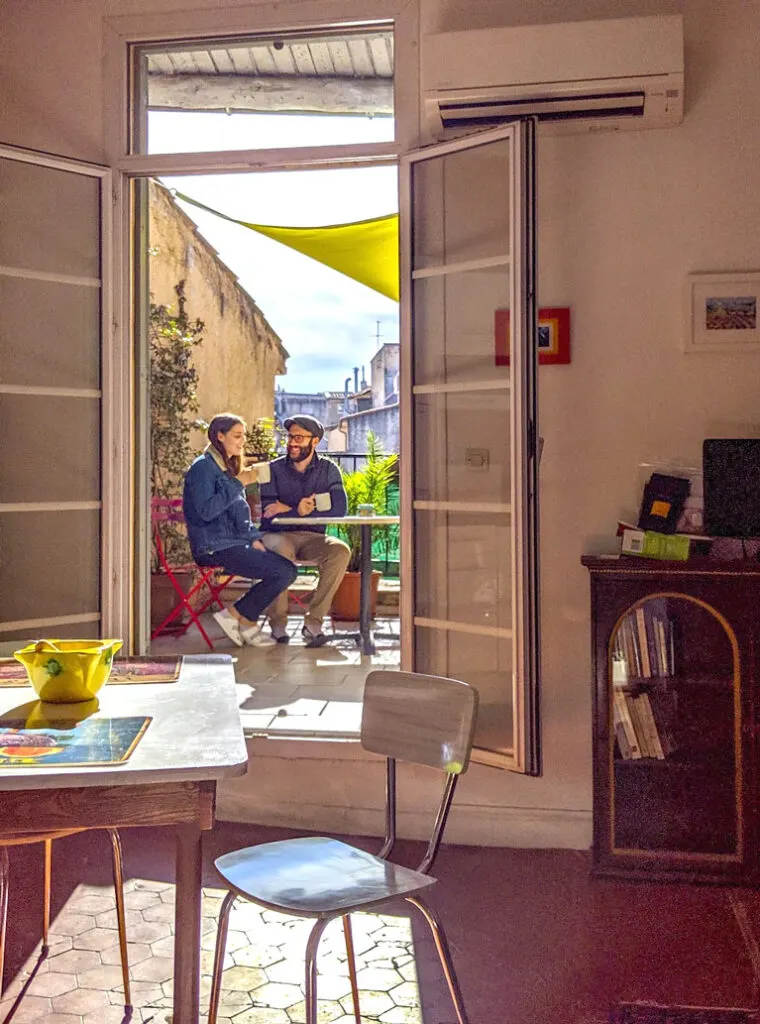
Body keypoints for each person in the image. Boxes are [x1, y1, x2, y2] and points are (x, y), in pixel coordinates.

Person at [183, 413, 298, 648]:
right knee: (283, 571)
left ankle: (242, 618)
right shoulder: (202, 468)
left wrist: (253, 537)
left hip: (233, 543)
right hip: (212, 547)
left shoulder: (226, 467)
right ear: (219, 436)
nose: (242, 441)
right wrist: (239, 483)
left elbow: (240, 514)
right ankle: (239, 617)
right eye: (237, 436)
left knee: (285, 569)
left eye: (243, 435)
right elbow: (206, 511)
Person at [259, 415, 350, 647]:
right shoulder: (272, 469)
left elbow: (340, 509)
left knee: (340, 551)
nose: (292, 442)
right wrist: (298, 510)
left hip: (313, 537)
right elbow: (269, 515)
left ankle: (314, 623)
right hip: (277, 535)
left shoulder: (329, 469)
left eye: (298, 437)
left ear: (315, 441)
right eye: (290, 437)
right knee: (280, 552)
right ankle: (278, 625)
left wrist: (292, 509)